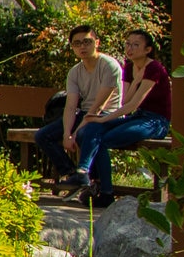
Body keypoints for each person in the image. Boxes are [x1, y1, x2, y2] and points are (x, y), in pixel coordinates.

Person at [68, 28, 170, 205]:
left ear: (148, 49)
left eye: (136, 45)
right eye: (128, 44)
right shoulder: (129, 67)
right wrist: (136, 80)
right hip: (138, 116)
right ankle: (84, 174)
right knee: (92, 129)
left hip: (155, 121)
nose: (130, 48)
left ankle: (105, 192)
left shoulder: (154, 68)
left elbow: (133, 104)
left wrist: (103, 118)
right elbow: (125, 101)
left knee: (102, 138)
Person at [56, 25, 125, 196]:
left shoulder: (109, 65)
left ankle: (92, 180)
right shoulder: (75, 72)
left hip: (110, 115)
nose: (82, 47)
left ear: (97, 43)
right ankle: (73, 174)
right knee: (44, 135)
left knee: (90, 134)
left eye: (87, 42)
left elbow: (98, 107)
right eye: (77, 43)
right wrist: (66, 134)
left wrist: (75, 133)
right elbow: (71, 106)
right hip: (86, 114)